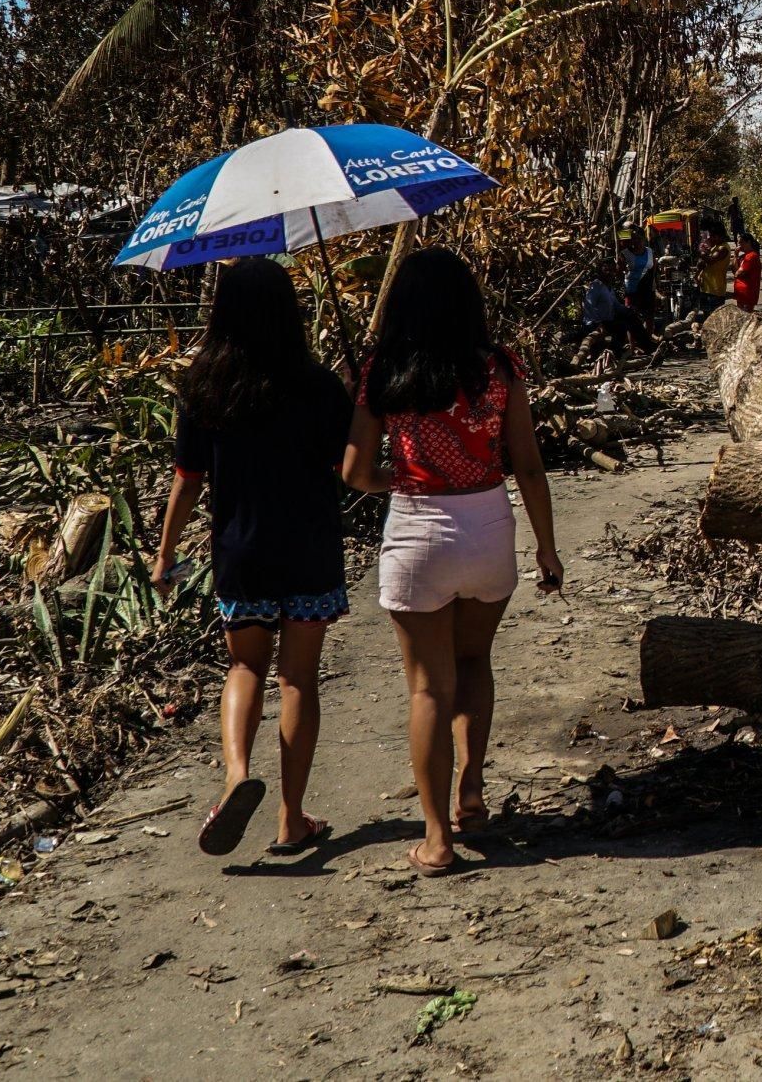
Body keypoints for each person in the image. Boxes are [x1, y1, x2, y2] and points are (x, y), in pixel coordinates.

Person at [344, 248, 562, 875]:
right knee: (474, 661)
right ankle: (472, 789)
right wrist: (546, 547)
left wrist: (404, 476)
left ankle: (436, 839)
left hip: (417, 533)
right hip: (488, 527)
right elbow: (527, 465)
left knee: (427, 687)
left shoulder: (382, 372)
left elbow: (356, 472)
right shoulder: (498, 369)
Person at [154, 258, 351, 859]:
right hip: (310, 549)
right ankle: (291, 820)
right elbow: (350, 466)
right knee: (298, 679)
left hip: (241, 552)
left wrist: (164, 556)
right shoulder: (320, 386)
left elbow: (187, 481)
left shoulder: (204, 388)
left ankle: (237, 775)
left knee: (245, 670)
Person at [578, 266, 642, 354]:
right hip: (594, 322)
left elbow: (616, 305)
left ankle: (616, 350)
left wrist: (628, 309)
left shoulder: (609, 288)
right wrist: (597, 323)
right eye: (606, 271)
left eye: (611, 271)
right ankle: (612, 351)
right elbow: (589, 306)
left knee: (625, 323)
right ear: (600, 274)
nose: (610, 274)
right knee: (620, 327)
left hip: (607, 320)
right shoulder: (595, 286)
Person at [620, 235, 658, 342]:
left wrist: (655, 283)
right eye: (634, 239)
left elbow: (654, 268)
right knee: (632, 318)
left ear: (643, 240)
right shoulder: (625, 253)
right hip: (632, 290)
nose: (637, 241)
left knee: (649, 317)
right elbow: (620, 270)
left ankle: (647, 343)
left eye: (639, 238)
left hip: (648, 289)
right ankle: (632, 347)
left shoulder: (650, 252)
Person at [694, 225, 732, 319]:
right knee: (706, 316)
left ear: (720, 236)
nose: (710, 238)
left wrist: (701, 252)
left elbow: (711, 261)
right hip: (705, 287)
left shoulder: (723, 248)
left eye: (713, 236)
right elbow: (702, 264)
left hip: (716, 289)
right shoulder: (714, 246)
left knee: (715, 318)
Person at [732, 230, 762, 312]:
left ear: (748, 242)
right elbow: (734, 270)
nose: (739, 245)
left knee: (745, 316)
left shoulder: (751, 256)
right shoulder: (743, 256)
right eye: (738, 243)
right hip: (741, 294)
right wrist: (735, 256)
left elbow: (738, 273)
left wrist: (737, 272)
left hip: (747, 294)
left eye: (741, 242)